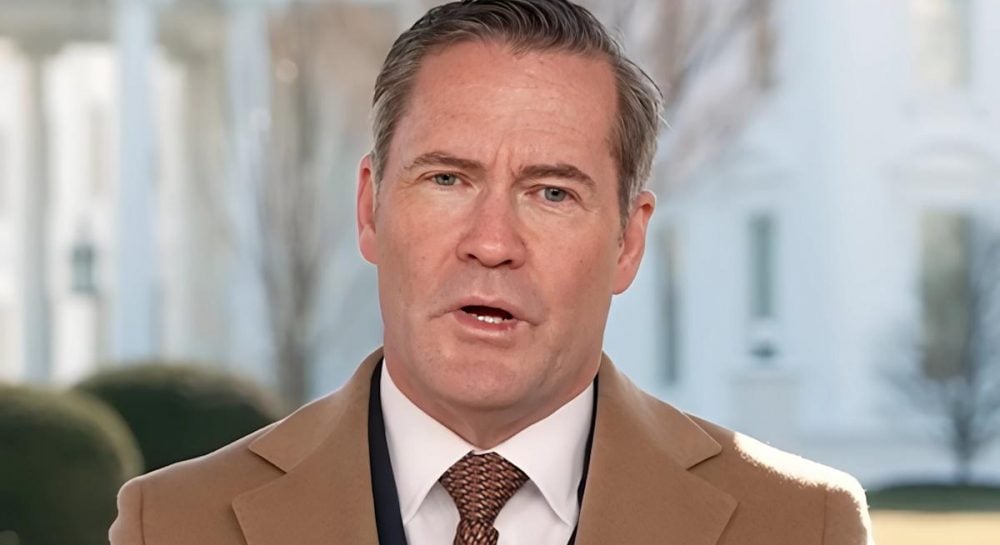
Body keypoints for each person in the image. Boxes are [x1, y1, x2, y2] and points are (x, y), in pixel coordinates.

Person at [110, 1, 874, 544]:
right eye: (447, 179)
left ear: (627, 242)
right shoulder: (174, 524)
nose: (491, 242)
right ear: (371, 208)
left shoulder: (799, 525)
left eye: (551, 192)